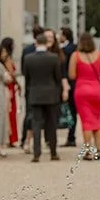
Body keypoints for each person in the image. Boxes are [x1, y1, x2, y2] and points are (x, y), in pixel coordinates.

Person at [25, 30, 67, 162]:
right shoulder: (53, 58)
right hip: (51, 94)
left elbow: (27, 78)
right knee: (51, 124)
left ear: (36, 43)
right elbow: (57, 77)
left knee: (36, 124)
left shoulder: (28, 58)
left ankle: (36, 153)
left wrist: (28, 93)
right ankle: (53, 152)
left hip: (35, 94)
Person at [69, 32, 100, 160]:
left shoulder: (75, 56)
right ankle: (98, 150)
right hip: (96, 90)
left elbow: (72, 75)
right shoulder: (99, 54)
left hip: (81, 90)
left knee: (86, 121)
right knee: (96, 120)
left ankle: (88, 150)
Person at [1, 36, 20, 147]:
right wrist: (17, 84)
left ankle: (10, 138)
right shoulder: (7, 58)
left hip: (10, 85)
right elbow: (11, 73)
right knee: (10, 112)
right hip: (9, 86)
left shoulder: (5, 57)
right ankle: (11, 138)